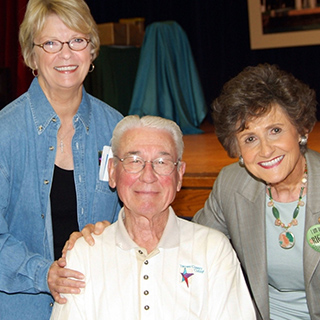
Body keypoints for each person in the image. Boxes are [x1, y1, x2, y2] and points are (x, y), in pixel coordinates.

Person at [50, 115, 256, 320]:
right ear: (112, 171)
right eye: (134, 160)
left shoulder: (212, 250)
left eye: (162, 162)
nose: (148, 175)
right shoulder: (85, 254)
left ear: (179, 175)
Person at [0, 0, 122, 319]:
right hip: (22, 308)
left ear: (91, 49)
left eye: (77, 40)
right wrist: (45, 274)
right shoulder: (5, 133)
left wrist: (114, 232)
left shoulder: (116, 129)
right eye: (51, 43)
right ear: (32, 54)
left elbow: (133, 219)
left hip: (100, 304)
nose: (66, 54)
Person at [193, 63, 320, 320]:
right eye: (250, 138)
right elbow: (193, 245)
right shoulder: (231, 185)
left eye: (275, 130)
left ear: (301, 129)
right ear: (237, 150)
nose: (265, 150)